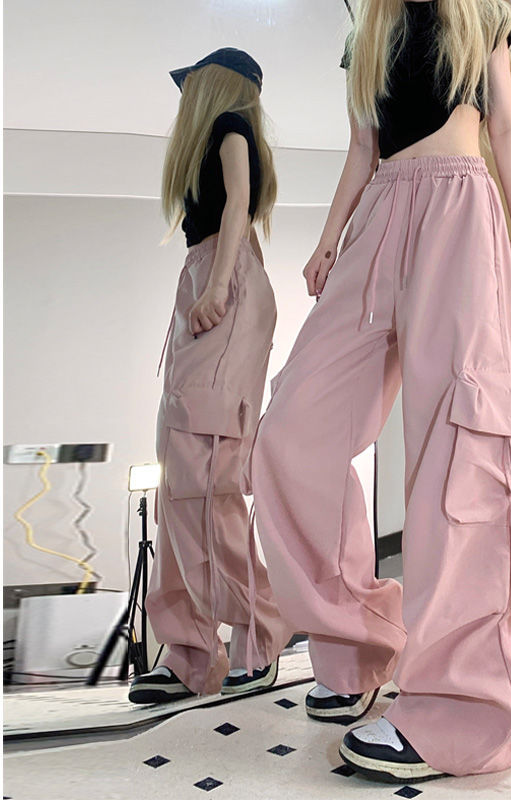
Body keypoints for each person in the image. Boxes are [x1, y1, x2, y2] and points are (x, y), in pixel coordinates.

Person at [249, 0, 511, 782]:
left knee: (461, 448)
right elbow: (362, 147)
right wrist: (327, 243)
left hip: (460, 204)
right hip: (380, 213)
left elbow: (504, 125)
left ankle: (461, 712)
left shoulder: (482, 14)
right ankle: (356, 643)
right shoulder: (368, 28)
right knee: (292, 431)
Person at [129, 48, 294, 705]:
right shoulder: (218, 134)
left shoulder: (231, 122)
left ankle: (259, 630)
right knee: (181, 478)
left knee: (207, 472)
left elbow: (238, 205)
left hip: (223, 284)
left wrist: (219, 286)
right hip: (204, 279)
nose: (187, 94)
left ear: (218, 85)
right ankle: (190, 655)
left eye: (193, 82)